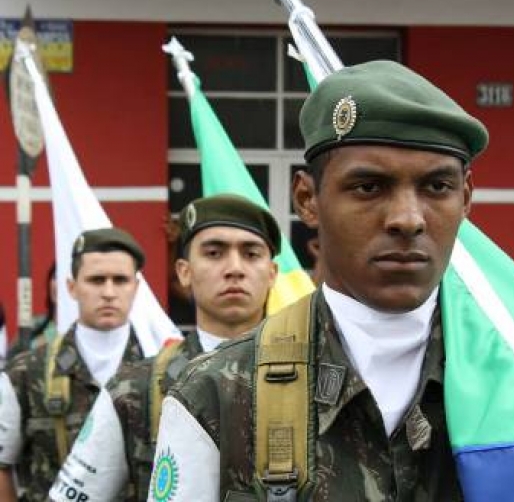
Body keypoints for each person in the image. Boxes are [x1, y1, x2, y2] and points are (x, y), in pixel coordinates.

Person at [148, 60, 489, 501]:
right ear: (307, 200)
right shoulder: (219, 392)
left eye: (436, 187)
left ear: (466, 198)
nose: (407, 219)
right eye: (369, 187)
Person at [49, 194, 281, 502]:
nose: (234, 268)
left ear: (272, 274)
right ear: (184, 271)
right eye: (214, 253)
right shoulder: (132, 389)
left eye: (251, 254)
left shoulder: (314, 378)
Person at [0, 227, 147, 501]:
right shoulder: (25, 373)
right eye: (96, 280)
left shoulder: (161, 369)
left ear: (136, 287)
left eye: (120, 280)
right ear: (71, 287)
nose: (108, 292)